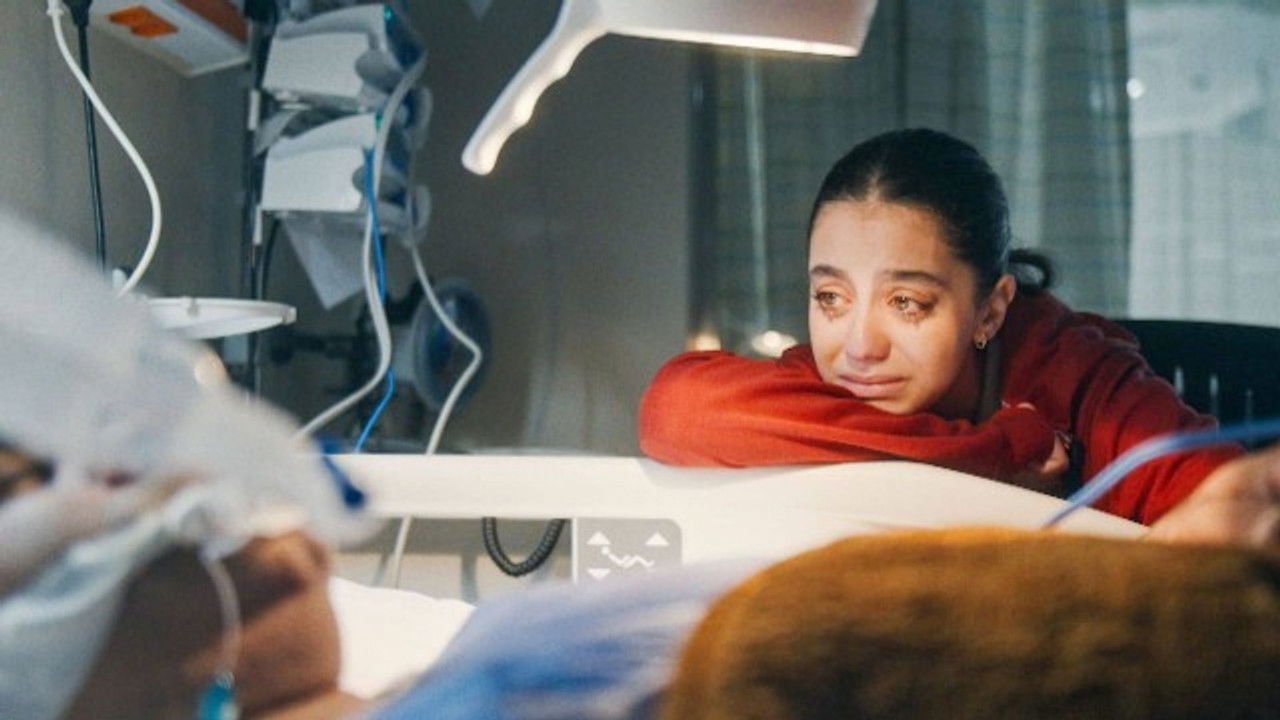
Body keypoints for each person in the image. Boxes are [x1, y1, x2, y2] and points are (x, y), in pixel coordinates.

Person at [640, 128, 1246, 527]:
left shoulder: (1080, 382)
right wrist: (998, 457)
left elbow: (1240, 510)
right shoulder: (822, 387)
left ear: (991, 310)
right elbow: (679, 410)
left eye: (906, 302)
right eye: (831, 297)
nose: (858, 346)